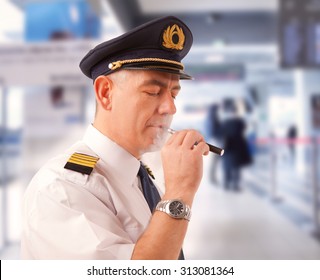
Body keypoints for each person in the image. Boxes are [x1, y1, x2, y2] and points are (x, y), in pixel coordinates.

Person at [21, 16, 209, 259]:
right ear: (105, 93)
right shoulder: (62, 188)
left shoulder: (140, 175)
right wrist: (180, 192)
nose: (170, 108)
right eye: (153, 91)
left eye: (174, 94)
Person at [219, 99, 252, 191]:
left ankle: (226, 183)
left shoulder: (225, 123)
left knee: (227, 167)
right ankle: (235, 185)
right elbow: (243, 130)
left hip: (227, 147)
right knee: (236, 167)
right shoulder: (240, 122)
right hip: (238, 148)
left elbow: (222, 133)